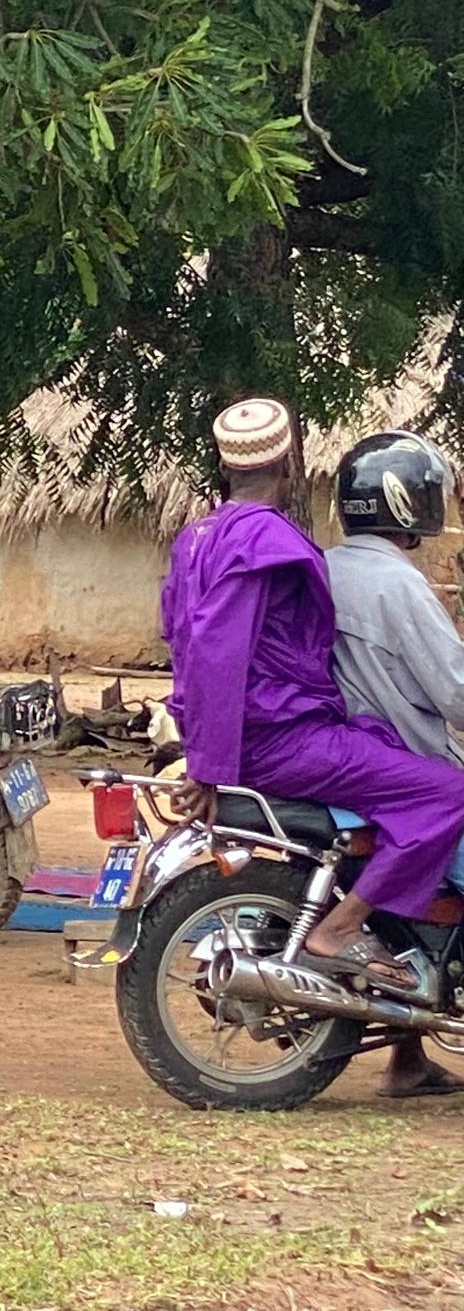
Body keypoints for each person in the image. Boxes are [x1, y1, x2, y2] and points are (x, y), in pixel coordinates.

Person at [161, 397, 464, 980]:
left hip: (260, 732)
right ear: (290, 465)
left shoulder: (198, 538)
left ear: (224, 465)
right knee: (447, 792)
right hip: (283, 736)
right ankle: (340, 928)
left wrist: (197, 747)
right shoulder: (267, 540)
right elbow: (217, 653)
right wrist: (207, 766)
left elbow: (182, 644)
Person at [324, 432, 464, 1098]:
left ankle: (407, 1059)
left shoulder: (327, 568)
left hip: (354, 754)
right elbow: (455, 692)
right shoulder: (398, 584)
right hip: (404, 758)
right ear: (408, 504)